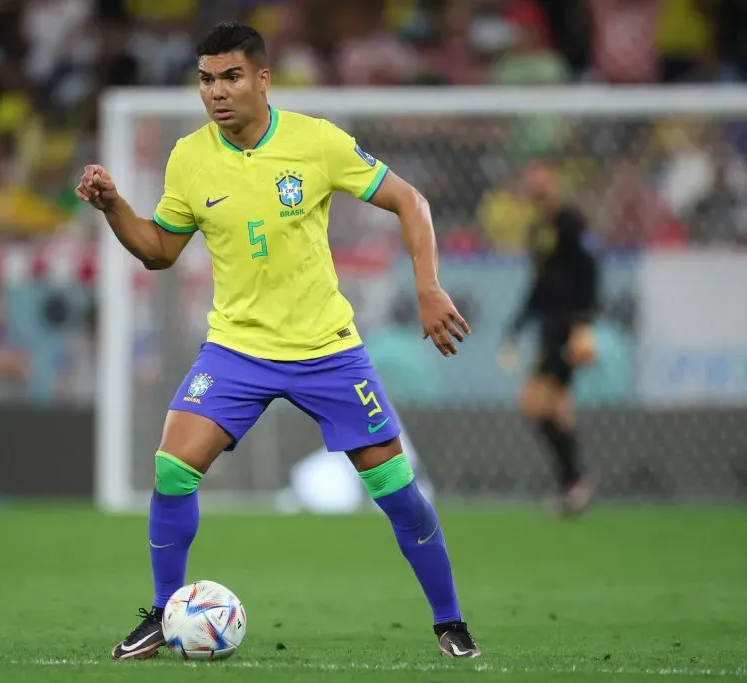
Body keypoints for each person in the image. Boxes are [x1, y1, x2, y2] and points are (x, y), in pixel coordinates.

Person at [76, 22, 479, 661]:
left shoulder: (316, 142)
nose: (216, 91)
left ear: (263, 79)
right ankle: (164, 611)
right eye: (206, 79)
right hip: (236, 350)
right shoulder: (189, 157)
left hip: (327, 350)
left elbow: (411, 201)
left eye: (231, 77)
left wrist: (428, 286)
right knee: (172, 468)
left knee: (398, 492)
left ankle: (450, 622)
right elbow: (158, 251)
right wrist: (114, 207)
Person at [498, 161, 600, 516]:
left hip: (566, 327)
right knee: (556, 407)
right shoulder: (540, 228)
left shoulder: (570, 222)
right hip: (549, 327)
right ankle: (573, 487)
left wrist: (583, 323)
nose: (533, 185)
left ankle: (574, 482)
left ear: (553, 182)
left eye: (540, 178)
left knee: (536, 403)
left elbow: (589, 269)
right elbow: (540, 283)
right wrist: (518, 325)